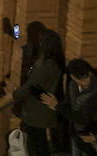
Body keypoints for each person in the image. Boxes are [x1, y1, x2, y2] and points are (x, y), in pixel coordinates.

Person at [12, 28, 65, 156]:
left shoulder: (48, 66)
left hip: (37, 114)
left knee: (37, 147)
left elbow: (31, 86)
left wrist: (14, 95)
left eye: (41, 42)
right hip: (40, 113)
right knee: (39, 145)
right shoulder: (53, 62)